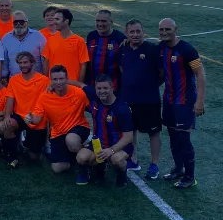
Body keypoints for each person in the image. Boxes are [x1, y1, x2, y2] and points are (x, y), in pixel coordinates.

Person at [158, 18, 206, 189]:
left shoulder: (187, 49)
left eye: (167, 29)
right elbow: (162, 73)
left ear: (175, 29)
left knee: (183, 138)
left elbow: (200, 74)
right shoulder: (161, 48)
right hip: (169, 100)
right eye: (161, 29)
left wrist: (200, 101)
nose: (164, 32)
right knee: (172, 136)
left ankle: (190, 176)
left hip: (185, 101)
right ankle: (178, 169)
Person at [69, 75, 134, 187]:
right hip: (98, 144)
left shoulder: (121, 108)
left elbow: (128, 137)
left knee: (117, 159)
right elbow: (80, 84)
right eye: (99, 88)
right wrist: (60, 82)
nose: (102, 91)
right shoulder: (95, 97)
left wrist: (111, 150)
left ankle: (122, 174)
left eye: (105, 88)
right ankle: (92, 170)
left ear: (112, 88)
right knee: (81, 157)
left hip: (118, 146)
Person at [119, 19, 163, 178]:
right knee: (131, 131)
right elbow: (122, 68)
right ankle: (133, 159)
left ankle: (154, 164)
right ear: (127, 33)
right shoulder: (123, 49)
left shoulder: (152, 49)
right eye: (132, 32)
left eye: (138, 31)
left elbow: (162, 73)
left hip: (149, 100)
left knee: (154, 132)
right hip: (128, 98)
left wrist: (150, 85)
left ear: (143, 32)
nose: (135, 34)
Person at [27, 65, 91, 174]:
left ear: (67, 79)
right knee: (57, 168)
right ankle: (78, 153)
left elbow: (92, 108)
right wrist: (32, 119)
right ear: (51, 80)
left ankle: (86, 161)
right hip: (58, 133)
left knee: (71, 140)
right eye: (55, 79)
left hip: (78, 128)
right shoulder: (44, 96)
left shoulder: (79, 93)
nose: (58, 82)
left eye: (61, 79)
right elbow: (37, 119)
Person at [0, 51, 50, 169]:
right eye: (20, 63)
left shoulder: (43, 80)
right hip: (20, 116)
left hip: (36, 119)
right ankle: (13, 156)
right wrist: (7, 116)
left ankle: (26, 146)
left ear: (33, 63)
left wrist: (38, 117)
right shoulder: (14, 80)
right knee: (7, 125)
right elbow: (10, 99)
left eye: (26, 62)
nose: (23, 65)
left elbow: (47, 102)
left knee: (33, 157)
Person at [42, 8, 89, 82]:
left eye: (57, 19)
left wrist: (79, 84)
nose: (54, 22)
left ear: (66, 21)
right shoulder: (51, 40)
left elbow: (83, 65)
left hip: (72, 84)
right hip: (54, 84)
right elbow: (46, 62)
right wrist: (45, 81)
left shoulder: (79, 41)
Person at [86, 9, 126, 90]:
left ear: (111, 22)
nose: (100, 24)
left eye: (103, 21)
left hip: (113, 86)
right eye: (97, 21)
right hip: (93, 85)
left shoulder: (120, 38)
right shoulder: (91, 36)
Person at [1, 11, 46, 82]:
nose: (18, 24)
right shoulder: (6, 38)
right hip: (14, 81)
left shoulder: (38, 36)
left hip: (36, 81)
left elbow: (44, 60)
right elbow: (5, 62)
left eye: (21, 22)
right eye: (15, 22)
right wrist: (4, 77)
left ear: (27, 23)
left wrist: (45, 78)